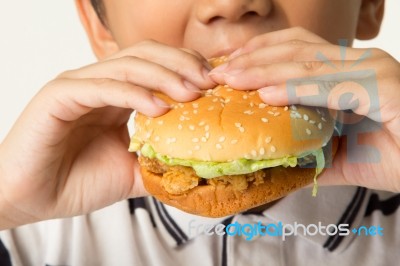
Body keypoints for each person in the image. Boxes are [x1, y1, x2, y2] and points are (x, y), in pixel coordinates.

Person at [1, 0, 399, 265]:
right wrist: (9, 204)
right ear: (98, 23)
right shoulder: (29, 239)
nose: (228, 5)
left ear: (368, 4)